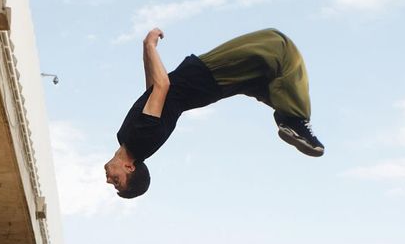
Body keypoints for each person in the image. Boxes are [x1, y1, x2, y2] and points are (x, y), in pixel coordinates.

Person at [104, 27, 324, 198]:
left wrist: (146, 51)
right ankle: (295, 121)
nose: (108, 180)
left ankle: (292, 119)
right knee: (278, 46)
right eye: (117, 181)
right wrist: (150, 44)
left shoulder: (128, 138)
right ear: (129, 167)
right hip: (207, 76)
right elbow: (162, 86)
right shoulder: (140, 141)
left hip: (207, 84)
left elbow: (151, 92)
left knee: (268, 78)